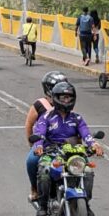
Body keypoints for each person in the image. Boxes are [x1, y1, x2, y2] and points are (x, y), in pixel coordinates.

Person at [32, 81, 104, 216]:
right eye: (63, 97)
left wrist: (94, 145)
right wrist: (39, 146)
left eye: (69, 97)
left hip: (73, 153)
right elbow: (39, 133)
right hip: (51, 153)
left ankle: (85, 203)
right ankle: (42, 204)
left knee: (88, 171)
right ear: (56, 98)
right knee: (44, 170)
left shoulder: (77, 118)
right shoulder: (47, 117)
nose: (67, 100)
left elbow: (86, 134)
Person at [25, 71, 68, 202]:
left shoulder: (67, 102)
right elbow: (29, 124)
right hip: (45, 145)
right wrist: (32, 144)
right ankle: (34, 188)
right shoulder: (39, 104)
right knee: (31, 161)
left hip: (65, 145)